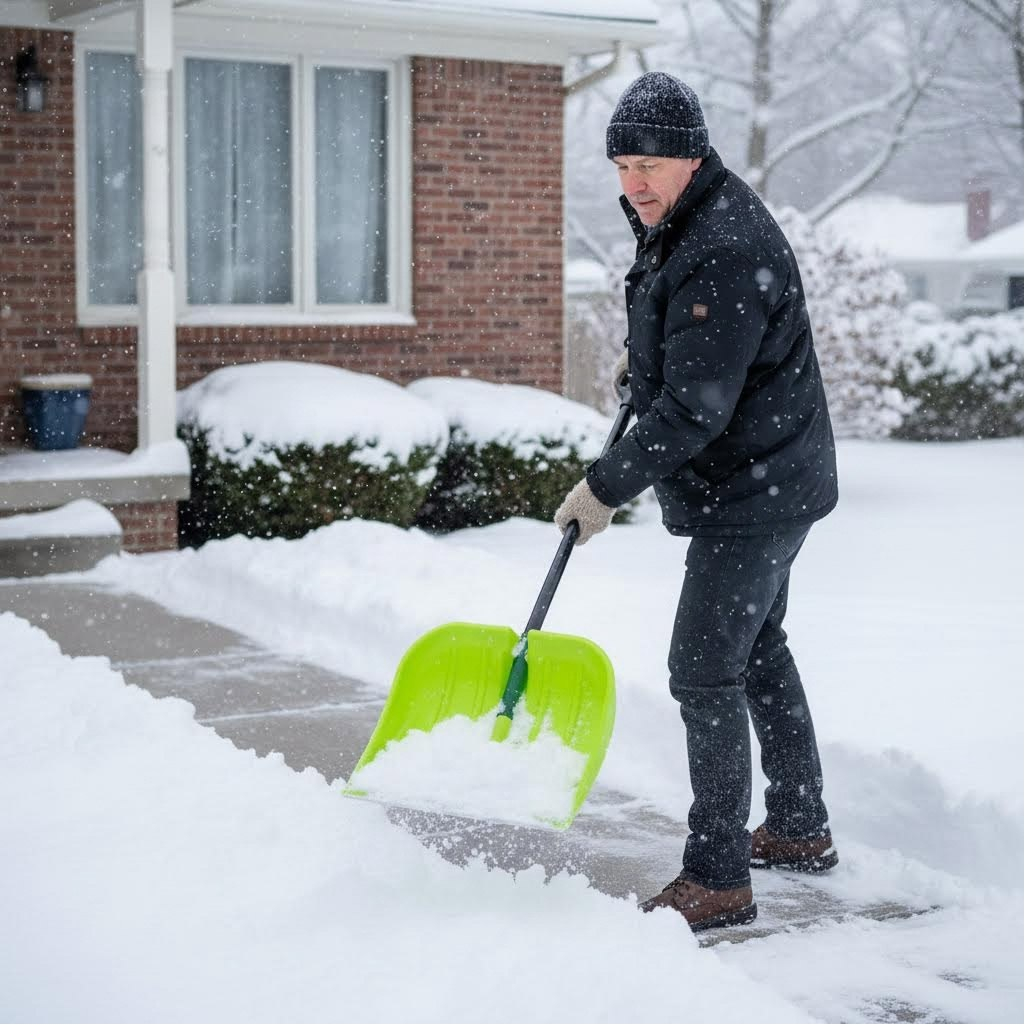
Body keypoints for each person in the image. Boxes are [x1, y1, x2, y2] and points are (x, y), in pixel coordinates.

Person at [554, 72, 840, 933]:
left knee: (703, 668)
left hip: (754, 486)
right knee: (757, 650)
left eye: (649, 164)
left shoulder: (719, 242)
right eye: (621, 164)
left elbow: (695, 409)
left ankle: (717, 876)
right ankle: (797, 825)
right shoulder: (689, 218)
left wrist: (602, 488)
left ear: (691, 157)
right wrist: (646, 365)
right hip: (768, 473)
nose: (633, 182)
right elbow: (697, 348)